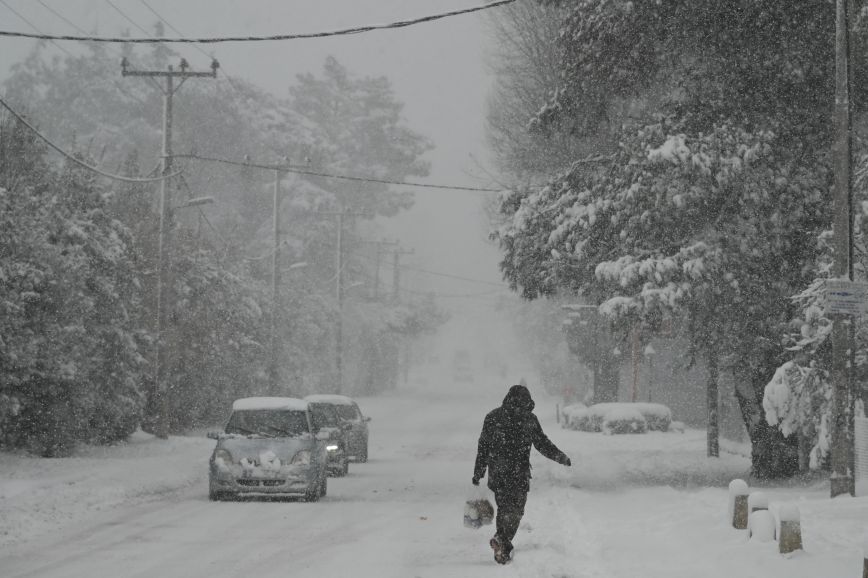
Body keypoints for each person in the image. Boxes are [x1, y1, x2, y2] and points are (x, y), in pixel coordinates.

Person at [472, 384, 571, 564]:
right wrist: (559, 456)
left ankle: (501, 541)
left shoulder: (493, 417)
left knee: (504, 508)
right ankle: (502, 540)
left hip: (499, 473)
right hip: (518, 473)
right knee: (516, 510)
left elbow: (483, 447)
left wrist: (479, 472)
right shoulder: (528, 419)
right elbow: (542, 444)